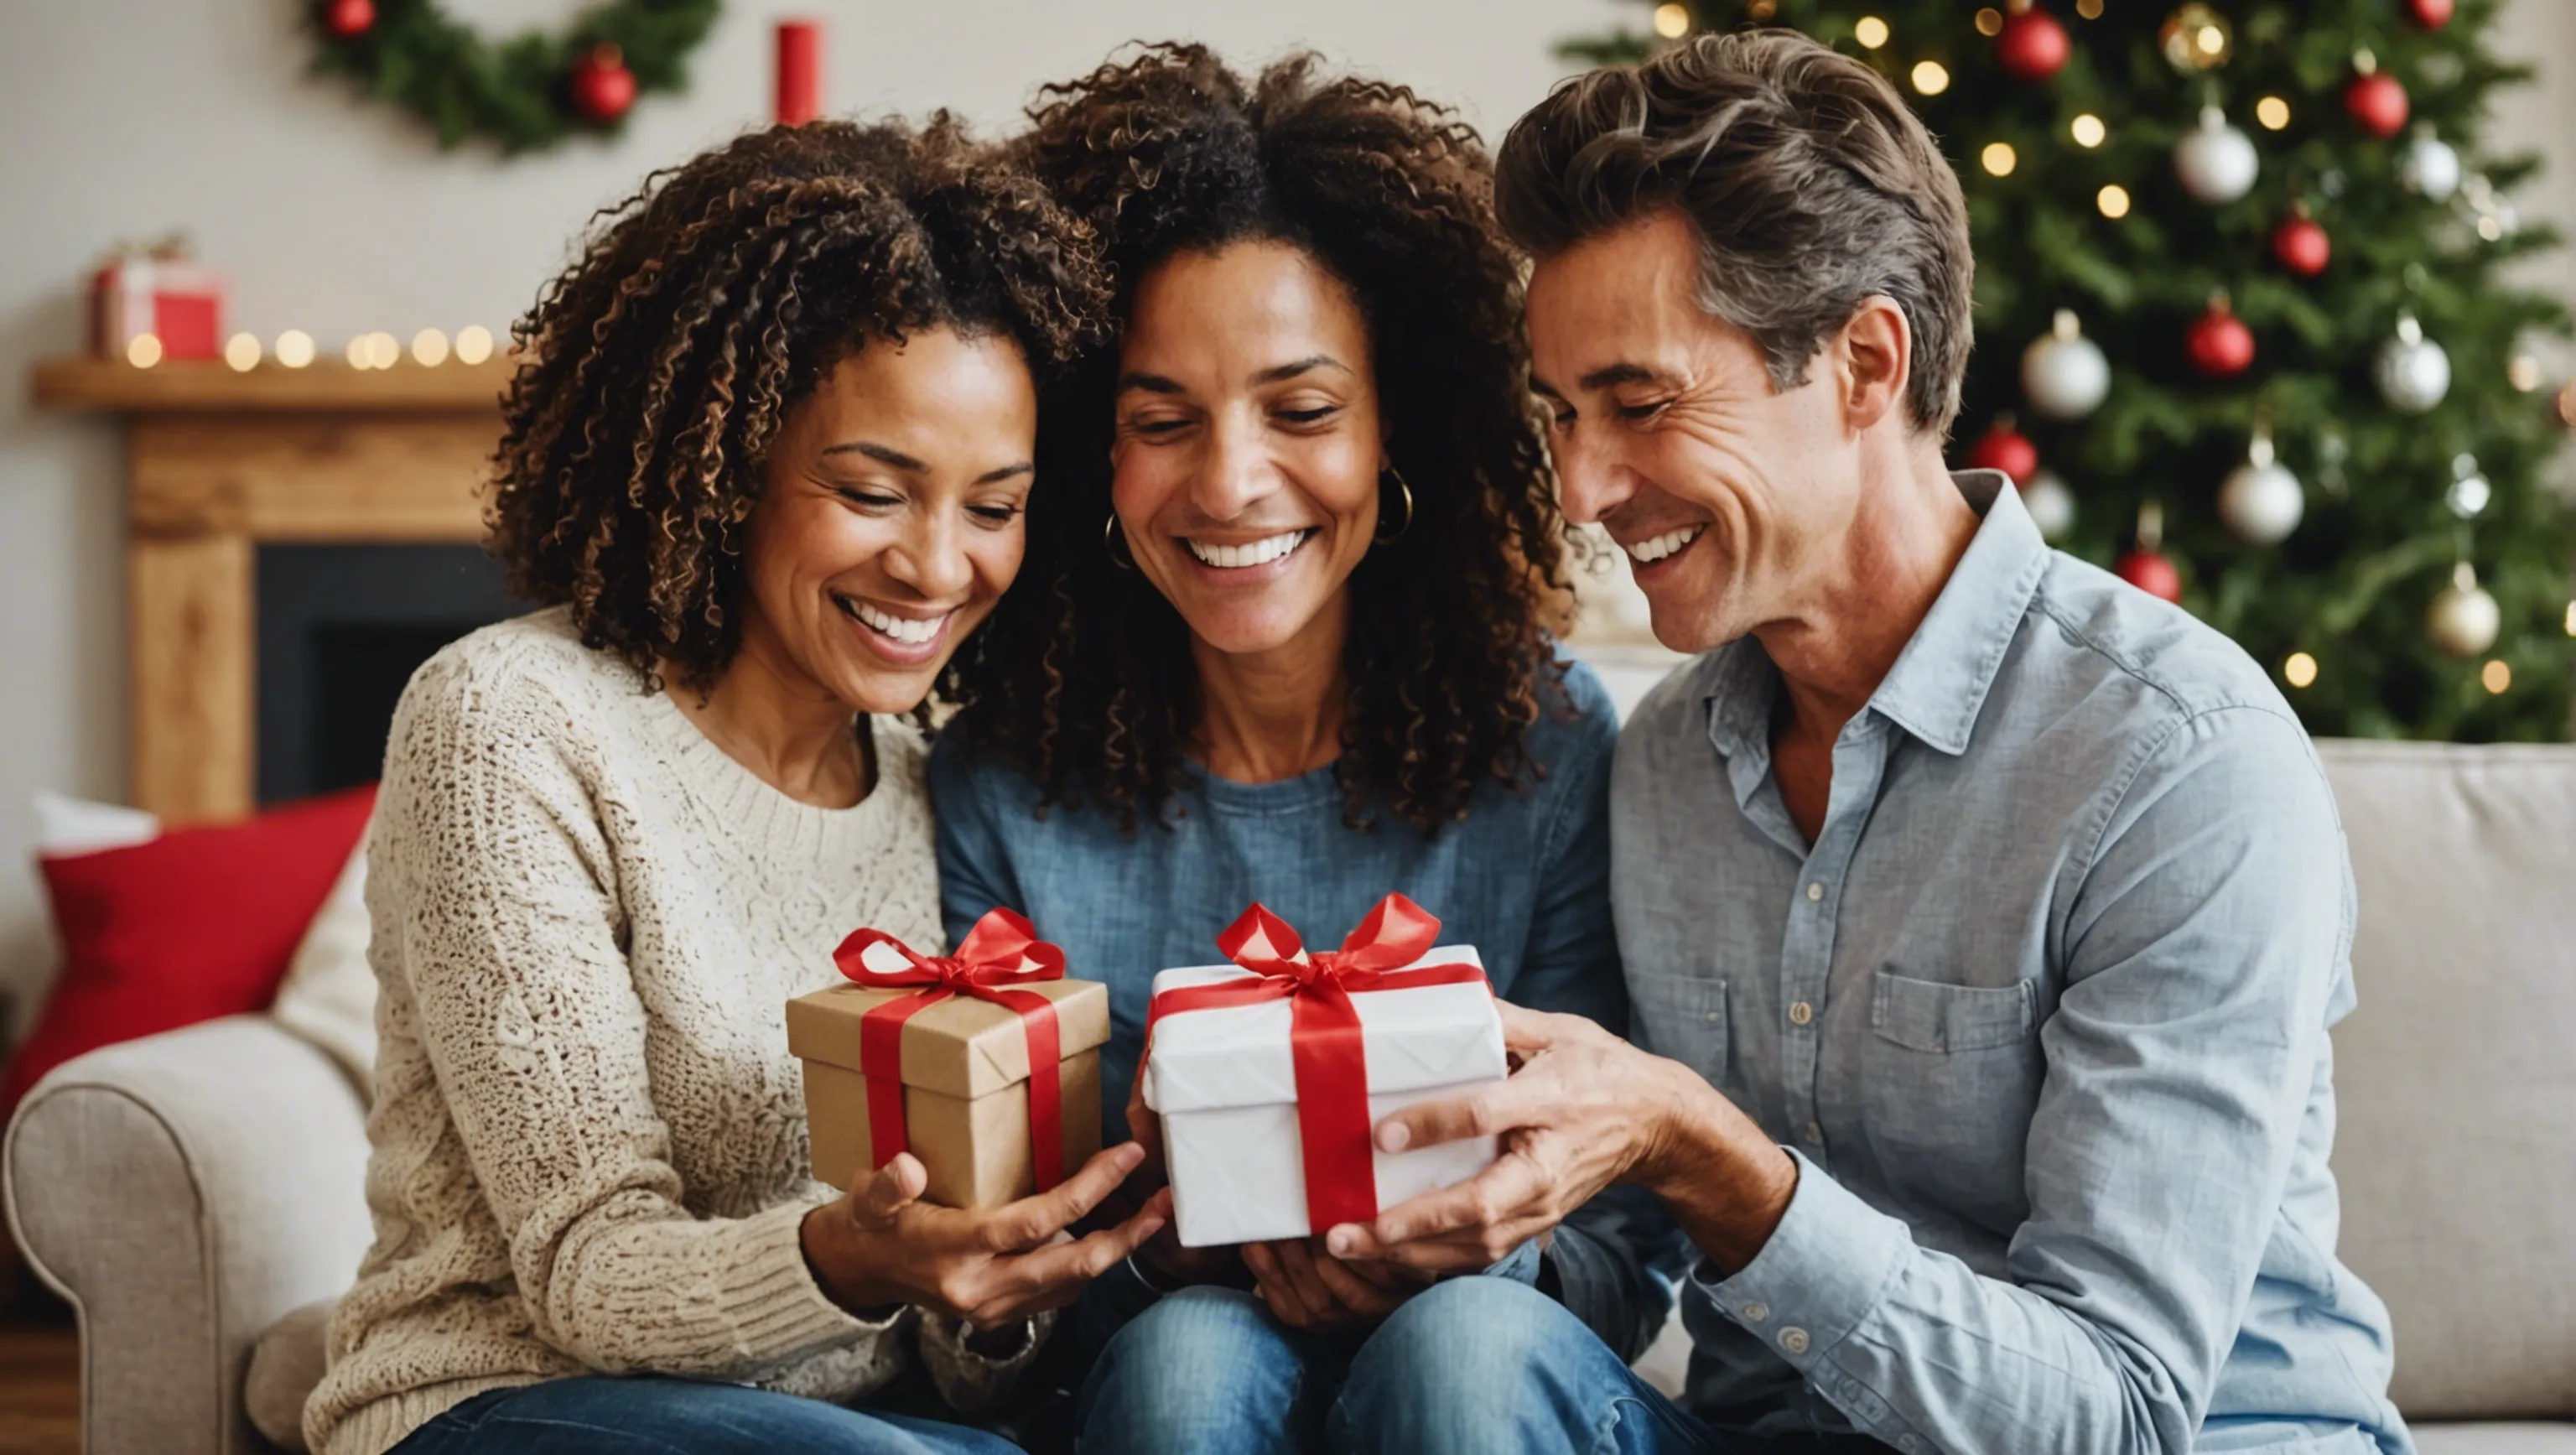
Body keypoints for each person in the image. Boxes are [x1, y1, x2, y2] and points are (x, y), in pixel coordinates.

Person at [1318, 31, 2415, 1455]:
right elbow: (1625, 1253)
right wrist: (1460, 1237)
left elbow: (2119, 1413)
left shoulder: (2178, 761)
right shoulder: (1662, 759)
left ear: (1863, 361)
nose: (1584, 488)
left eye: (1640, 404)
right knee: (1469, 1349)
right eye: (1563, 419)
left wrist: (1713, 1153)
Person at [305, 118, 1171, 1455]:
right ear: (729, 466)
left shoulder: (931, 785)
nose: (938, 568)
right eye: (874, 490)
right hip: (508, 1402)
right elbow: (587, 1272)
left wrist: (999, 1288)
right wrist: (849, 1256)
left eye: (992, 507)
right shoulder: (509, 723)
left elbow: (969, 1369)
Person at [927, 44, 1671, 1455]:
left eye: (1302, 408)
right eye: (1161, 421)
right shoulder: (1003, 786)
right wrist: (1154, 1254)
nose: (1228, 482)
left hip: (1488, 1362)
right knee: (1184, 1363)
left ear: (1405, 422)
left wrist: (1479, 1247)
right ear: (1094, 450)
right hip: (1153, 1375)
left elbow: (1625, 1251)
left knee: (1459, 1348)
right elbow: (1004, 1303)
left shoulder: (1548, 739)